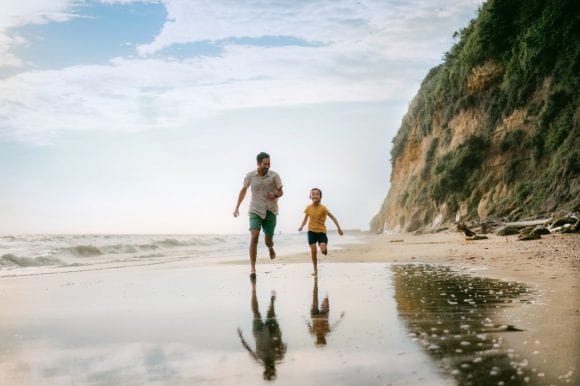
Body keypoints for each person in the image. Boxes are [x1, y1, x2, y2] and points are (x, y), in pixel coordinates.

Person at [234, 152, 283, 279]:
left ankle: (270, 247)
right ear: (258, 164)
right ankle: (253, 268)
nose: (267, 166)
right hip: (255, 210)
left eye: (269, 164)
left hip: (270, 210)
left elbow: (281, 191)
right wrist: (237, 207)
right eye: (265, 164)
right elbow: (243, 190)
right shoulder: (250, 176)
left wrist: (276, 195)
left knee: (268, 240)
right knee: (254, 236)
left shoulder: (274, 176)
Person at [237, 278, 287, 380]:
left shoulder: (258, 359)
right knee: (271, 313)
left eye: (267, 371)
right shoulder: (279, 357)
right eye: (270, 370)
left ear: (265, 370)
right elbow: (284, 346)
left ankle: (254, 291)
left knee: (256, 313)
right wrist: (280, 342)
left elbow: (249, 350)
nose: (268, 368)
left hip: (259, 333)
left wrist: (241, 338)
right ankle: (272, 301)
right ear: (274, 369)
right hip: (273, 332)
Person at [298, 188, 343, 276]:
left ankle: (324, 249)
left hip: (321, 232)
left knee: (323, 250)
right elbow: (305, 219)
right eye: (313, 194)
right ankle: (315, 270)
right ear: (310, 196)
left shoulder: (323, 208)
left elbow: (332, 217)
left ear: (320, 197)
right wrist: (301, 226)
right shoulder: (308, 208)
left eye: (317, 194)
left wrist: (339, 228)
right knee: (313, 250)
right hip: (311, 232)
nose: (315, 195)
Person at [308, 275, 345, 345]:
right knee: (315, 298)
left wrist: (341, 317)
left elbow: (335, 325)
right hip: (314, 317)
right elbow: (308, 325)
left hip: (323, 317)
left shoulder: (326, 332)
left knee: (326, 299)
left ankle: (326, 292)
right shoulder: (314, 333)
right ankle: (316, 286)